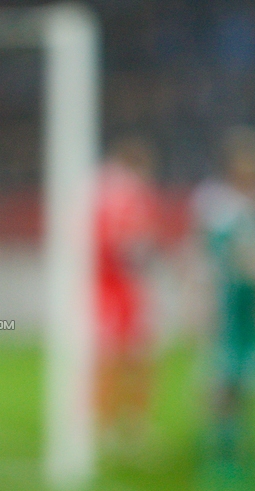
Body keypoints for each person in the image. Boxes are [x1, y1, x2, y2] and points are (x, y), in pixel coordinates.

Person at [192, 126, 255, 491]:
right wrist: (203, 304)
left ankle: (240, 456)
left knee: (246, 385)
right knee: (222, 384)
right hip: (227, 309)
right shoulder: (217, 205)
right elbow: (213, 257)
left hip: (251, 312)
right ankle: (218, 460)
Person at [93, 136, 161, 460]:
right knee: (132, 358)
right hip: (121, 287)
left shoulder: (98, 188)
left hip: (102, 286)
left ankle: (108, 425)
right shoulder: (126, 194)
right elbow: (129, 244)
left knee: (112, 357)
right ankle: (129, 426)